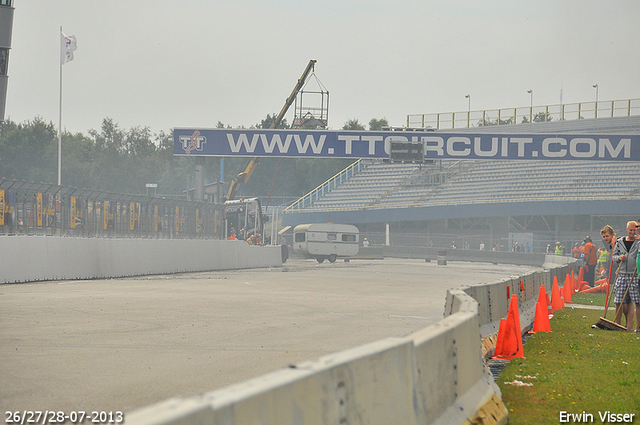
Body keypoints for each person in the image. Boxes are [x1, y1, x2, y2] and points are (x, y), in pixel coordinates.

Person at [612, 221, 639, 332]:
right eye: (631, 230)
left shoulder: (638, 242)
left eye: (634, 230)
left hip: (634, 275)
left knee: (632, 301)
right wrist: (619, 258)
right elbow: (614, 256)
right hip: (622, 274)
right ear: (627, 229)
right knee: (618, 301)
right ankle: (617, 325)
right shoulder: (620, 242)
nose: (633, 232)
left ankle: (629, 327)